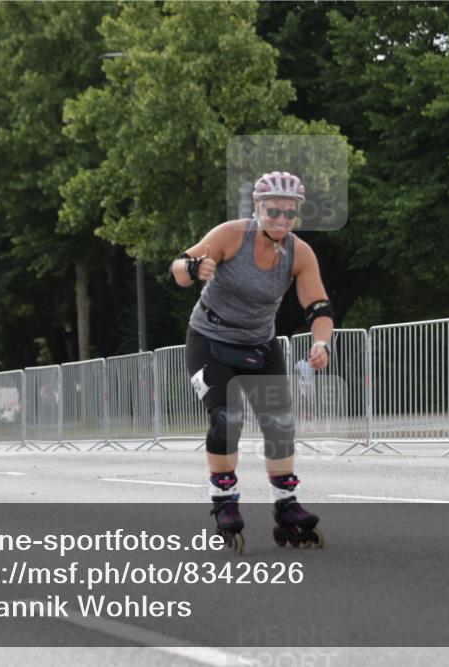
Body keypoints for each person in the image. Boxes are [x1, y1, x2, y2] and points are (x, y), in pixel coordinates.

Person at [169, 171, 333, 552]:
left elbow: (319, 306)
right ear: (258, 207)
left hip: (259, 345)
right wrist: (194, 269)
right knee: (227, 418)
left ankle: (287, 505)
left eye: (289, 213)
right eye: (273, 211)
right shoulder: (231, 235)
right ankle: (224, 500)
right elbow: (178, 268)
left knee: (280, 423)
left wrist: (322, 342)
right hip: (210, 341)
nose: (281, 220)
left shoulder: (299, 253)